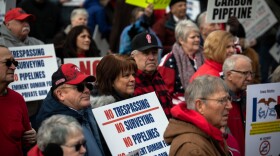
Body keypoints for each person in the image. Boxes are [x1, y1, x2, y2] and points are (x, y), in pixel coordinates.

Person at [36, 63, 106, 156]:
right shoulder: (54, 127)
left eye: (88, 86)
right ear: (60, 94)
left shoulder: (83, 108)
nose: (87, 90)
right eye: (80, 87)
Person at [164, 75, 232, 156]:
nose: (230, 106)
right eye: (222, 100)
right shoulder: (191, 149)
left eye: (228, 99)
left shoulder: (211, 133)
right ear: (200, 106)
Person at [0, 45, 36, 156]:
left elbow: (26, 141)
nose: (13, 67)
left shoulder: (18, 99)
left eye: (14, 63)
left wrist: (32, 137)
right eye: (7, 63)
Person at [158, 20, 204, 105]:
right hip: (179, 108)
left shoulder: (205, 55)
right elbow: (164, 93)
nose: (197, 39)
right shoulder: (169, 60)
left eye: (198, 36)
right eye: (193, 37)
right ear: (181, 40)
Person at [130, 32, 173, 118]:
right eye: (146, 53)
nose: (151, 58)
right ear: (133, 57)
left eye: (154, 53)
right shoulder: (130, 81)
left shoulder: (157, 76)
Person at [223, 54, 254, 156]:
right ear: (229, 75)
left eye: (251, 73)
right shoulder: (217, 101)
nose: (249, 78)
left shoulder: (251, 96)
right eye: (245, 73)